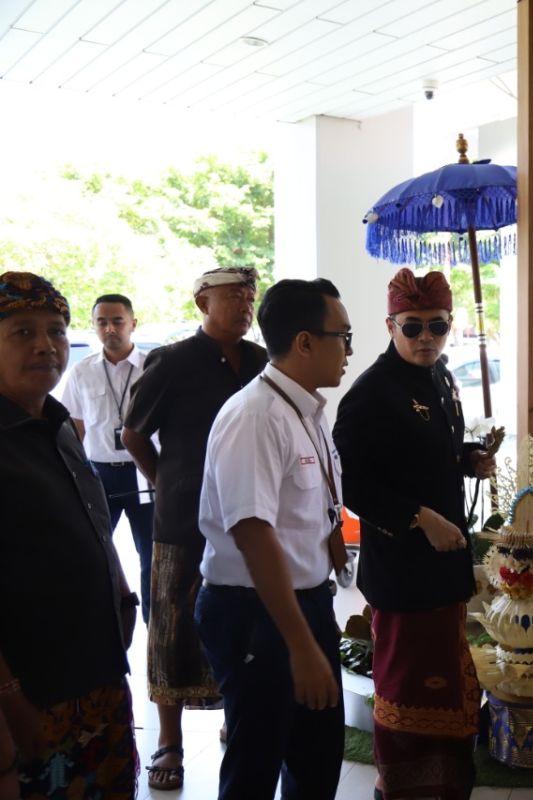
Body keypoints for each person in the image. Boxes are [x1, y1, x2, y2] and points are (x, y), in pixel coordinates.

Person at [333, 268, 496, 800]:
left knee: (446, 681)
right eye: (412, 327)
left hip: (444, 566)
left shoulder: (442, 377)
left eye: (438, 326)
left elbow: (437, 453)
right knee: (407, 684)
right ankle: (402, 788)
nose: (426, 337)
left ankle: (447, 785)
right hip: (403, 571)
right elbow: (352, 482)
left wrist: (471, 459)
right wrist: (419, 517)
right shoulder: (370, 395)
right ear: (389, 325)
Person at [195, 278, 352, 800]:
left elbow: (306, 509)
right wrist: (300, 645)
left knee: (316, 756)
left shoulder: (305, 409)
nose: (349, 350)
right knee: (256, 763)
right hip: (256, 614)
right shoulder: (256, 416)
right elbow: (253, 533)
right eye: (342, 337)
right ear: (305, 342)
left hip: (303, 602)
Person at [122, 266, 268, 791]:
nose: (244, 305)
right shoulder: (173, 360)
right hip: (183, 518)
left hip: (245, 513)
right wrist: (164, 480)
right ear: (203, 302)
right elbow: (133, 432)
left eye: (249, 297)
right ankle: (170, 740)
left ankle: (235, 710)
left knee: (241, 619)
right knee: (171, 625)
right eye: (232, 296)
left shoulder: (258, 360)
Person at [0, 272, 138, 798]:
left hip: (97, 674)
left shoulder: (59, 424)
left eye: (56, 331)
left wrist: (122, 593)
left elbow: (94, 524)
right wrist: (9, 697)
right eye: (22, 332)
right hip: (30, 697)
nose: (45, 345)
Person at [60, 294, 155, 623]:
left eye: (117, 321)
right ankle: (102, 623)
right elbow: (76, 430)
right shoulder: (81, 372)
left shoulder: (153, 367)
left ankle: (154, 626)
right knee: (94, 551)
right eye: (102, 322)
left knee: (151, 555)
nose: (110, 328)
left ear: (133, 324)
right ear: (94, 326)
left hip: (145, 470)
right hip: (99, 474)